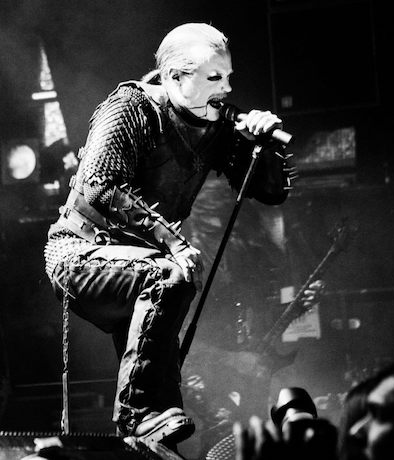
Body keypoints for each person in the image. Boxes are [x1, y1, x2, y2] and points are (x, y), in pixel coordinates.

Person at [43, 22, 294, 446]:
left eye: (228, 76)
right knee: (169, 276)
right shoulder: (132, 107)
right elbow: (101, 185)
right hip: (79, 254)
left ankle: (154, 429)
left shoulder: (214, 126)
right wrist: (174, 242)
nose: (226, 88)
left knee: (165, 381)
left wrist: (262, 147)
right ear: (175, 76)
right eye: (214, 77)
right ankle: (135, 414)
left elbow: (270, 192)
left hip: (141, 262)